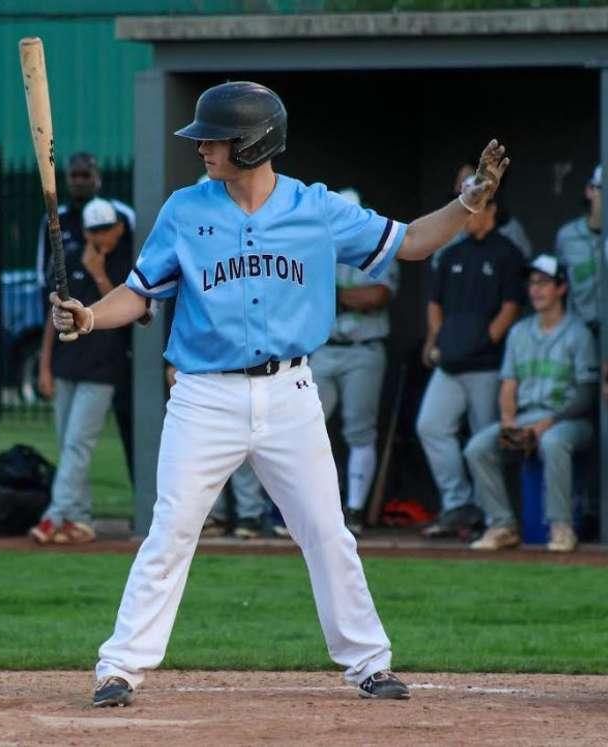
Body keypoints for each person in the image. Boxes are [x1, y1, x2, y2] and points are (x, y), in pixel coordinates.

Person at [49, 80, 510, 707]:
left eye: (215, 139)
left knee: (327, 530)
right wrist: (91, 316)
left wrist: (465, 205)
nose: (203, 148)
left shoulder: (314, 208)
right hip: (203, 397)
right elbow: (140, 291)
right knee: (172, 530)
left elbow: (410, 242)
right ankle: (120, 668)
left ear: (255, 142)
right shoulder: (186, 210)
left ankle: (368, 662)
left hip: (291, 392)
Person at [464, 255, 597, 553]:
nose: (535, 290)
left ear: (561, 288)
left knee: (552, 442)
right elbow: (509, 384)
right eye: (532, 283)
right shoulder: (520, 332)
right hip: (526, 416)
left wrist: (547, 423)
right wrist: (509, 420)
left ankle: (561, 527)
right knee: (478, 448)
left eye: (544, 283)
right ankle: (503, 525)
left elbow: (586, 395)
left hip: (567, 420)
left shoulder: (578, 332)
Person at [417, 194, 524, 539]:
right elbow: (435, 304)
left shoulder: (507, 252)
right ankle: (458, 503)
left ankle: (490, 513)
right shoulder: (451, 252)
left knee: (483, 441)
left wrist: (484, 341)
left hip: (486, 365)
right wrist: (438, 340)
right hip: (450, 364)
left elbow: (511, 307)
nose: (467, 217)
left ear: (492, 210)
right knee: (431, 425)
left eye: (475, 210)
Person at [31, 198, 133, 544]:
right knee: (67, 444)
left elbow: (125, 311)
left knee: (77, 443)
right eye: (95, 230)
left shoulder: (125, 260)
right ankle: (80, 517)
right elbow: (53, 316)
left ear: (120, 227)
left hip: (102, 369)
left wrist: (98, 272)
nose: (102, 236)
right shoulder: (70, 258)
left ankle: (55, 515)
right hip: (66, 364)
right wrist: (44, 366)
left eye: (107, 228)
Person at [35, 152, 137, 482]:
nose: (79, 181)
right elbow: (46, 282)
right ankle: (72, 513)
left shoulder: (124, 217)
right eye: (73, 175)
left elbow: (134, 290)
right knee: (69, 441)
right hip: (72, 352)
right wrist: (45, 362)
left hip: (113, 351)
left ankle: (64, 512)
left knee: (126, 426)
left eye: (85, 175)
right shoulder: (57, 218)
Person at [309, 188, 399, 536]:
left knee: (359, 430)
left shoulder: (377, 246)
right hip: (324, 348)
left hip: (364, 349)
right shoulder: (318, 246)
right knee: (306, 427)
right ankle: (313, 509)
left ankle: (356, 509)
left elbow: (376, 297)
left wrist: (333, 296)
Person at [553, 164, 602, 330]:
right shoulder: (567, 236)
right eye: (603, 189)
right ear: (590, 190)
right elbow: (559, 285)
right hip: (580, 330)